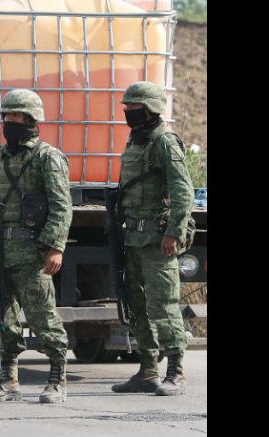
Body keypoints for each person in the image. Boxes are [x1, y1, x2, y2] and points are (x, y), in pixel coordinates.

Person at [0, 88, 73, 404]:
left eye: (17, 116)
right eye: (7, 116)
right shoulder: (1, 157)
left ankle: (57, 379)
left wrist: (55, 247)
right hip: (0, 251)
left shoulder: (47, 157)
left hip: (32, 253)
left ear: (31, 119)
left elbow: (61, 206)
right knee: (3, 318)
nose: (11, 121)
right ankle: (8, 380)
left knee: (43, 316)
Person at [112, 81, 194, 396]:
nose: (128, 112)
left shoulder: (164, 143)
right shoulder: (135, 141)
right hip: (132, 237)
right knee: (136, 305)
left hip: (158, 240)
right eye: (127, 107)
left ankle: (176, 371)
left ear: (151, 110)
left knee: (163, 304)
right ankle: (147, 370)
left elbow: (182, 192)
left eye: (134, 107)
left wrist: (173, 232)